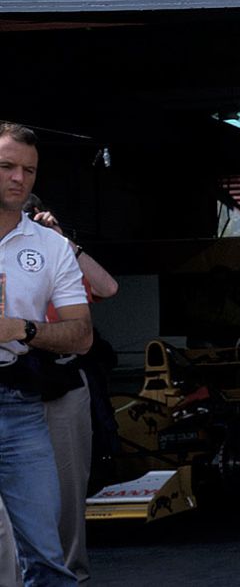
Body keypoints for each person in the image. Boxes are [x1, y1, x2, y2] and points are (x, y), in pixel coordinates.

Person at [0, 121, 92, 586]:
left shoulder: (51, 246)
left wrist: (22, 329)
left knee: (46, 556)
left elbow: (82, 335)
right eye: (7, 166)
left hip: (19, 404)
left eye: (29, 170)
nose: (19, 178)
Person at [24, 193, 118, 585]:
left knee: (68, 489)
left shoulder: (58, 252)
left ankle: (71, 574)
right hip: (14, 378)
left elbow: (107, 287)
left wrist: (64, 241)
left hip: (61, 377)